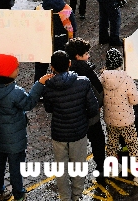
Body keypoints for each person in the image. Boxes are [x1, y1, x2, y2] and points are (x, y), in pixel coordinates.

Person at [0, 54, 52, 201]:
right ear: (9, 73)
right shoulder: (15, 92)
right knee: (16, 168)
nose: (18, 69)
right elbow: (28, 103)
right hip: (15, 139)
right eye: (16, 67)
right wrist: (39, 84)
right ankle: (19, 194)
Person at [42, 50, 99, 201]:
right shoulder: (83, 82)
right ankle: (77, 195)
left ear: (52, 67)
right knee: (79, 166)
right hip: (78, 132)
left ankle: (65, 197)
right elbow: (93, 108)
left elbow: (48, 108)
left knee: (61, 169)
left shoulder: (48, 86)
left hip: (59, 134)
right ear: (69, 64)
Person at [100, 49, 138, 184]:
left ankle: (112, 168)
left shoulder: (102, 77)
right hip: (126, 120)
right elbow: (135, 100)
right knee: (133, 145)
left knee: (112, 143)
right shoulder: (126, 78)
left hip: (110, 118)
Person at [65, 38, 106, 181]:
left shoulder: (63, 71)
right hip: (90, 117)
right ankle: (101, 169)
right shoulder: (87, 71)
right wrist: (97, 106)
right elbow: (99, 92)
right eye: (86, 53)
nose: (88, 55)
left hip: (72, 119)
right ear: (78, 56)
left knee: (74, 148)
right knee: (98, 142)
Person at [35, 0, 76, 82]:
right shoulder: (66, 9)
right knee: (60, 70)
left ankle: (39, 90)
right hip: (61, 42)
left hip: (44, 42)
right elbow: (72, 29)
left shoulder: (39, 8)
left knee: (40, 71)